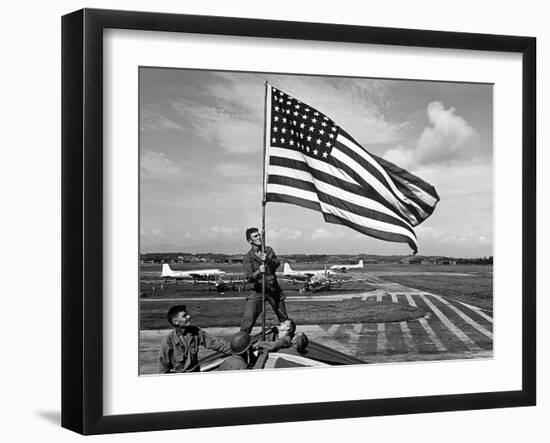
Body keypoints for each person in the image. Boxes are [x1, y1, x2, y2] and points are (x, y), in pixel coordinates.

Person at [240, 227, 289, 334]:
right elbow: (249, 277)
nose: (259, 238)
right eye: (255, 236)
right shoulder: (248, 257)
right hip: (257, 290)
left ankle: (288, 340)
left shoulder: (268, 250)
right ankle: (241, 344)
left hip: (273, 289)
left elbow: (276, 264)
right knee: (247, 319)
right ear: (250, 240)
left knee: (284, 319)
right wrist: (259, 271)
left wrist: (267, 259)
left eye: (259, 235)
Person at [158, 305, 231, 373]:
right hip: (178, 377)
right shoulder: (168, 340)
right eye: (184, 316)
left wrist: (236, 349)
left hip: (194, 374)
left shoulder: (196, 332)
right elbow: (163, 366)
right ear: (175, 322)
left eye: (187, 314)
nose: (189, 317)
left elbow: (216, 343)